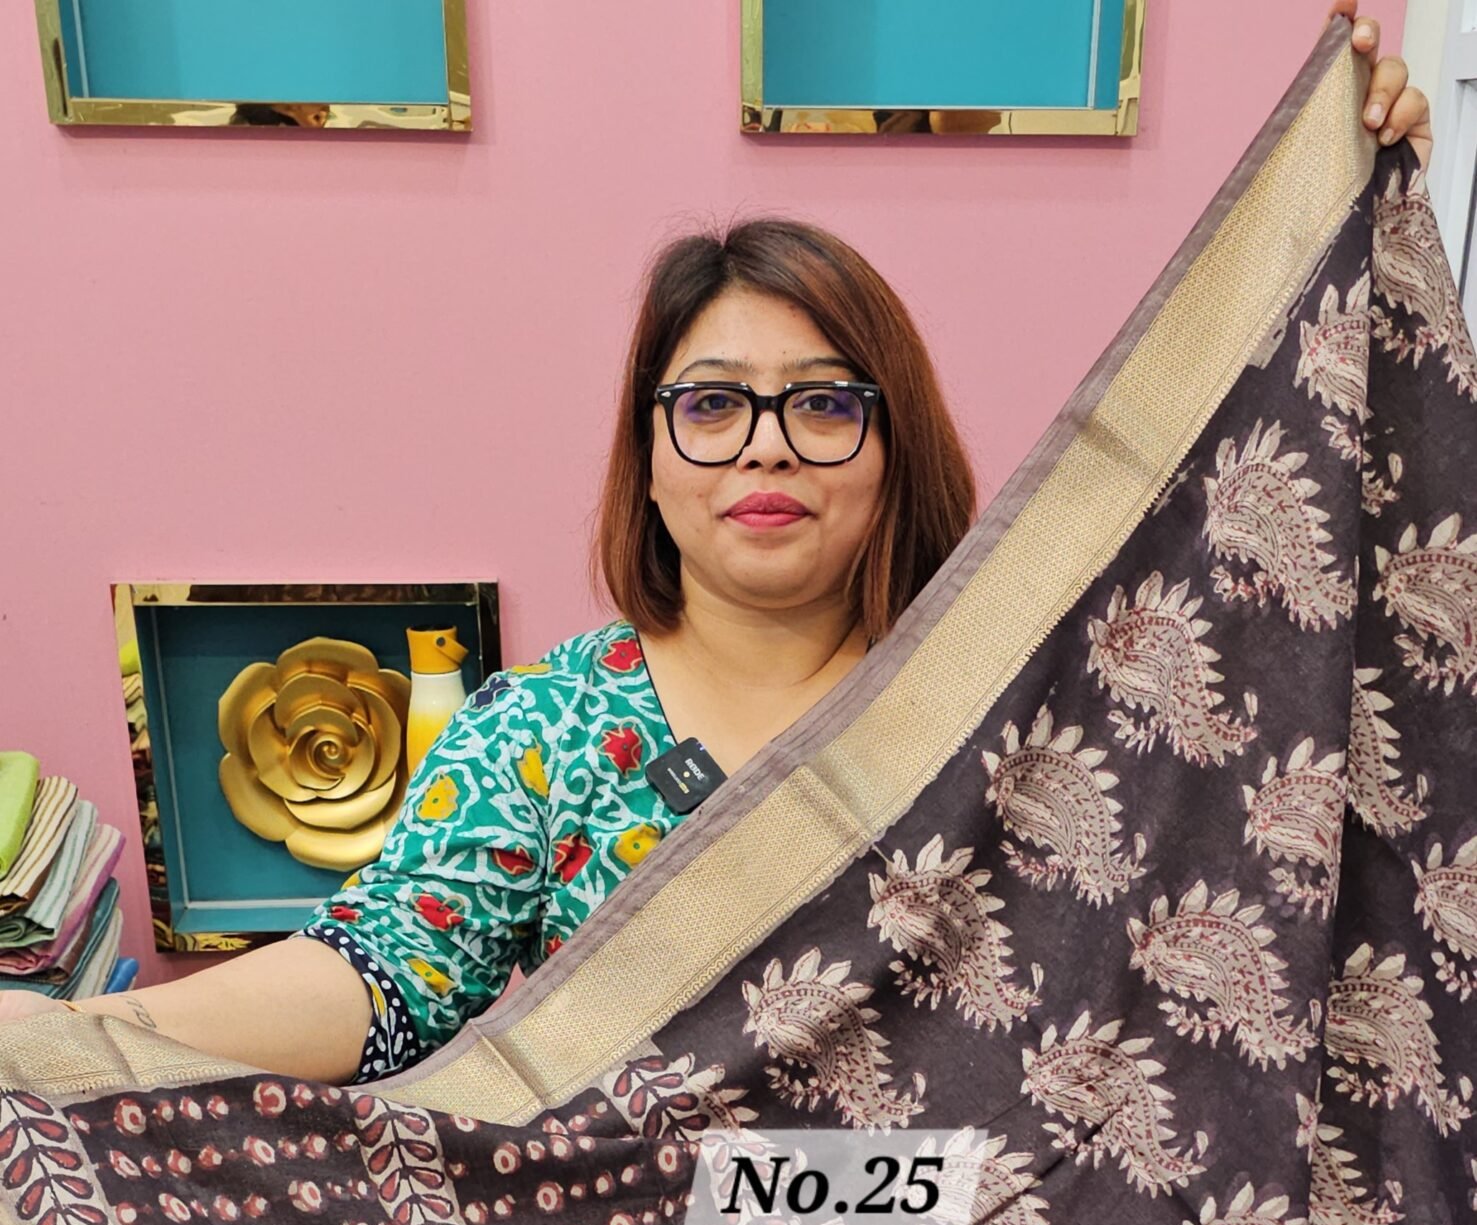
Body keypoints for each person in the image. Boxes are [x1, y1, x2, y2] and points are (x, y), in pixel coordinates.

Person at [0, 6, 1433, 1084]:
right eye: (711, 405)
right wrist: (77, 1045)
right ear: (650, 454)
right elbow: (376, 976)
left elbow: (1283, 731)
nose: (764, 447)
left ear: (895, 444)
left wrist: (1354, 197)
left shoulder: (1017, 701)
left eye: (823, 402)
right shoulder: (548, 736)